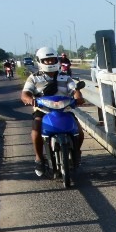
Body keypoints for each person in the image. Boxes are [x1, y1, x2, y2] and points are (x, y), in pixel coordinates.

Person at [20, 46, 85, 178]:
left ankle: (76, 154)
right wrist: (29, 99)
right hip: (43, 110)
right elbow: (25, 93)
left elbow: (74, 89)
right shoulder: (34, 78)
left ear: (57, 60)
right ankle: (39, 159)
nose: (50, 62)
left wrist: (78, 97)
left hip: (64, 110)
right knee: (35, 131)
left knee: (79, 132)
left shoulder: (65, 77)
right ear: (40, 61)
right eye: (46, 60)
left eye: (52, 59)